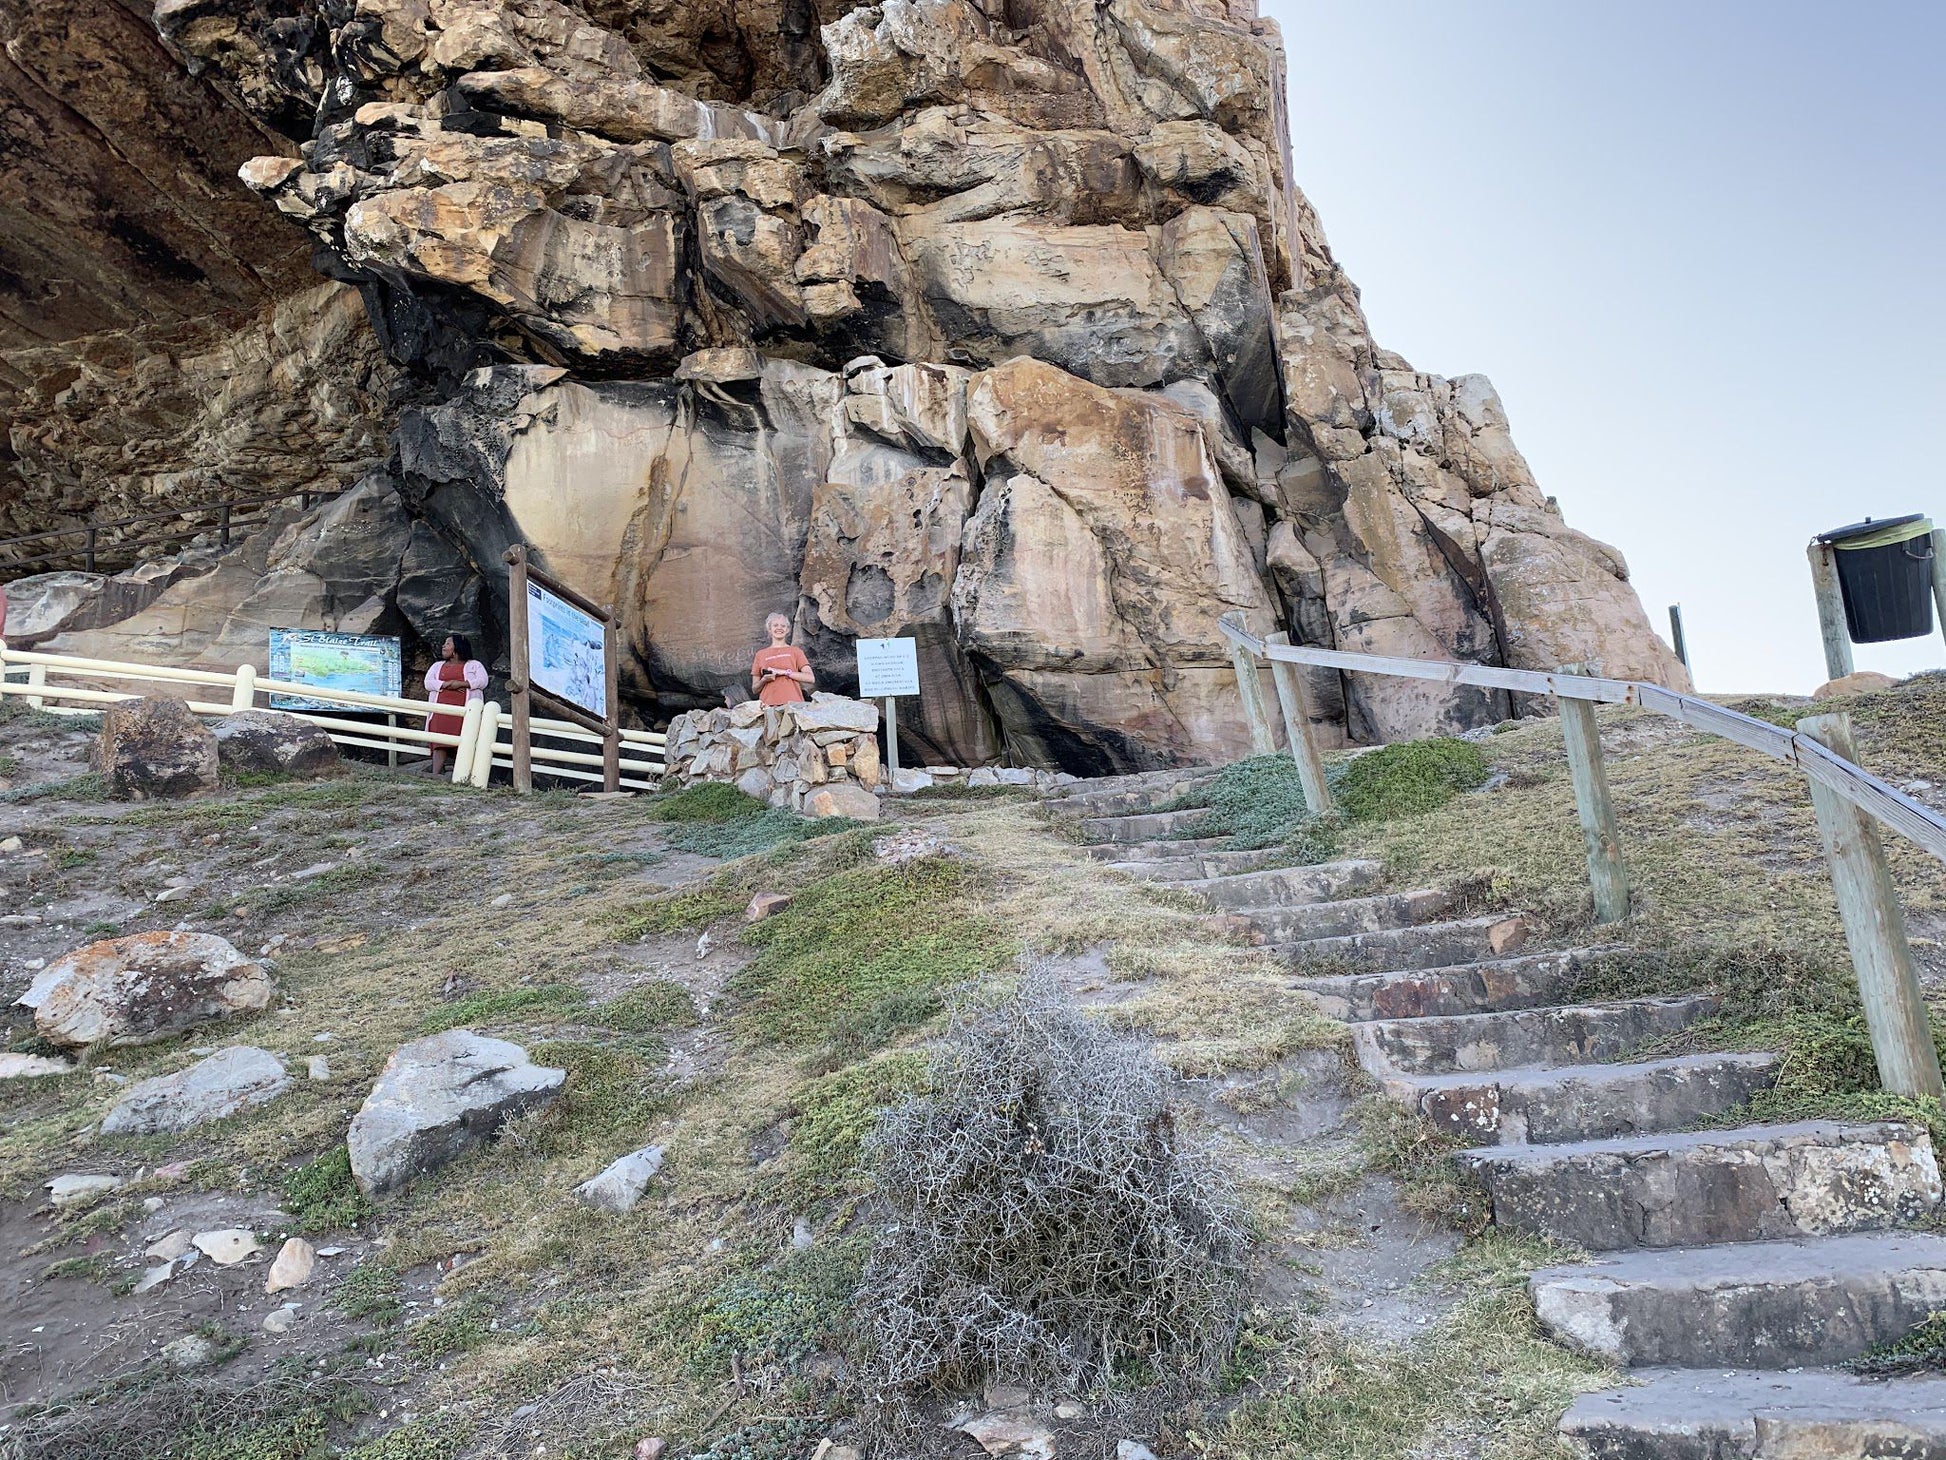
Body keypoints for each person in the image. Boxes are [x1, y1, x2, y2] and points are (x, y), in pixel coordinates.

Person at [425, 634, 488, 775]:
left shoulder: (475, 665)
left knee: (464, 739)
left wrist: (463, 684)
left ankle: (461, 774)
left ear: (457, 647)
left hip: (465, 711)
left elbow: (483, 681)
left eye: (447, 643)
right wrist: (445, 684)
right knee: (439, 740)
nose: (443, 646)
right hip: (440, 711)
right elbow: (428, 683)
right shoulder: (437, 666)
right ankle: (436, 774)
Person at [750, 612, 813, 706]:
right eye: (775, 625)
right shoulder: (760, 654)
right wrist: (764, 680)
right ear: (769, 629)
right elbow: (755, 689)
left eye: (783, 626)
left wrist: (784, 672)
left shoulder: (795, 651)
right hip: (768, 705)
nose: (779, 628)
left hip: (793, 704)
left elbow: (810, 678)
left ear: (787, 630)